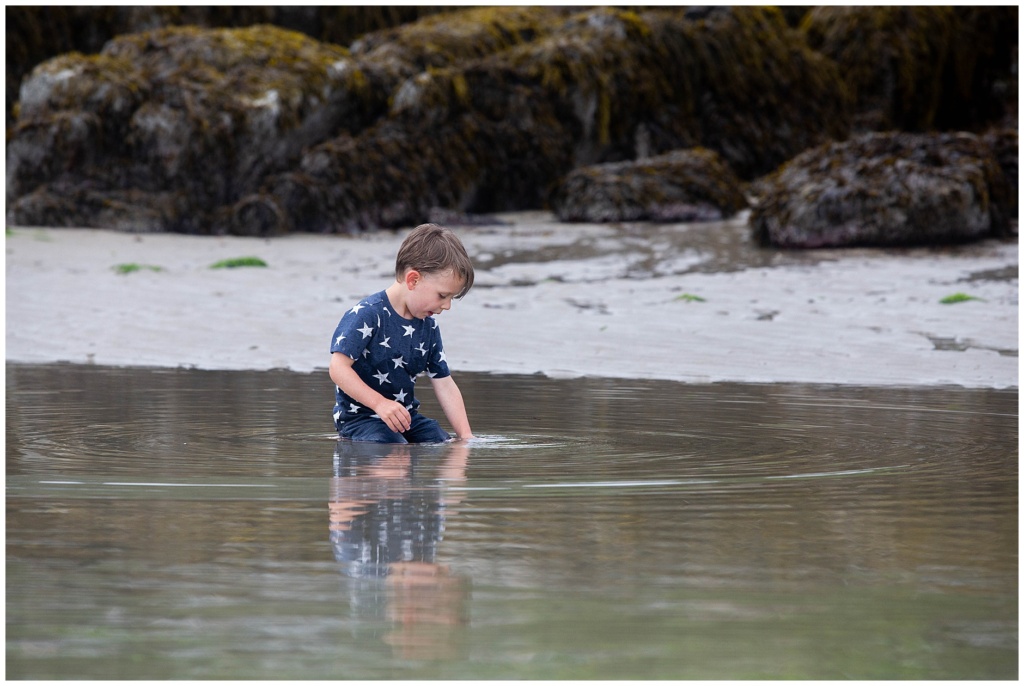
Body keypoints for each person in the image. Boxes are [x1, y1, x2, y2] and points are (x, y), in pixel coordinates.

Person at [329, 223, 475, 443]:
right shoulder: (368, 315)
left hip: (406, 419)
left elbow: (444, 383)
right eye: (442, 295)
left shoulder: (429, 327)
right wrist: (380, 404)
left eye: (451, 299)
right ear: (413, 280)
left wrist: (466, 438)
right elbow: (337, 368)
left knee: (441, 441)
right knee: (394, 449)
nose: (447, 306)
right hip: (360, 419)